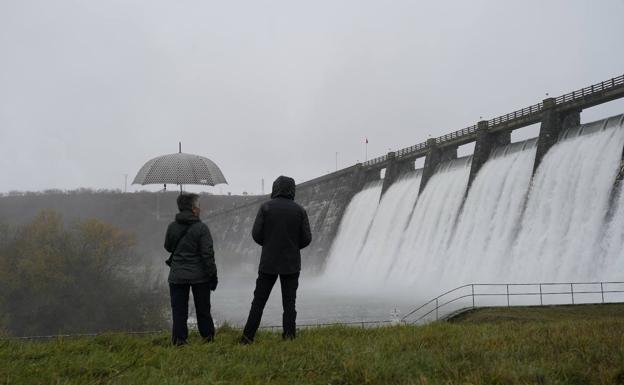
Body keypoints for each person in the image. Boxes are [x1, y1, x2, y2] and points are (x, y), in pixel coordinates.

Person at [240, 175, 312, 344]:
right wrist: (293, 246)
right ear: (292, 189)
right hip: (291, 263)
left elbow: (256, 235)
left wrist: (269, 245)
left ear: (275, 188)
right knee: (289, 304)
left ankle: (247, 338)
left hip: (268, 262)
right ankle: (289, 337)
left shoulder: (265, 208)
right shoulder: (299, 210)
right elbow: (307, 238)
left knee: (258, 302)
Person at [164, 193, 218, 345]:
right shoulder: (201, 228)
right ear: (193, 209)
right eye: (198, 206)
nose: (200, 209)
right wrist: (213, 276)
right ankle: (208, 339)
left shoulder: (172, 226)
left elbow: (168, 247)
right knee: (203, 309)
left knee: (179, 310)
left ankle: (179, 340)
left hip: (177, 276)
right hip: (200, 276)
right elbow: (207, 254)